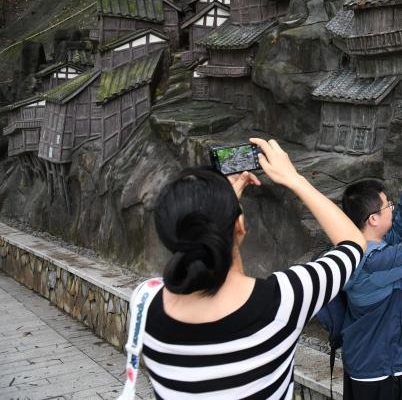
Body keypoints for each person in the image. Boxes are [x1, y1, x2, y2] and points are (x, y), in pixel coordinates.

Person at [139, 138, 367, 398]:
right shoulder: (284, 299)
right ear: (240, 226)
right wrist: (294, 179)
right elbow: (353, 243)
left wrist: (222, 210)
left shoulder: (145, 301)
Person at [336, 168, 402, 400]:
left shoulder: (356, 249)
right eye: (388, 206)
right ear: (373, 219)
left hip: (365, 362)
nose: (392, 209)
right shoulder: (375, 263)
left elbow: (392, 235)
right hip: (382, 370)